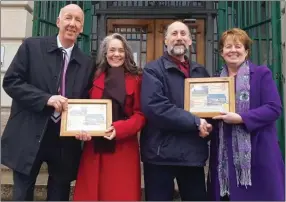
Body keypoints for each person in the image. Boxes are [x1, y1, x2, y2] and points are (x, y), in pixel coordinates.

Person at [1, 4, 94, 201]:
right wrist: (46, 99)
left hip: (65, 141)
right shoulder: (32, 47)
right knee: (22, 194)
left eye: (78, 20)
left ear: (82, 28)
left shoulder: (86, 63)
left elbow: (86, 100)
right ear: (58, 21)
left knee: (59, 195)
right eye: (68, 18)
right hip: (29, 132)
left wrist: (86, 126)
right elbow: (11, 82)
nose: (72, 23)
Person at [207, 28, 285, 201]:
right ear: (221, 52)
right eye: (228, 46)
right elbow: (210, 114)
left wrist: (242, 118)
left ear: (246, 51)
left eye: (238, 46)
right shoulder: (214, 81)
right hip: (225, 155)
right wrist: (204, 124)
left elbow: (274, 108)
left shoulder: (261, 74)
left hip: (258, 152)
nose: (233, 50)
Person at [140, 21, 213, 201]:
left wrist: (209, 128)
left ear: (189, 41)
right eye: (174, 34)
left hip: (192, 154)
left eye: (183, 34)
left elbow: (211, 108)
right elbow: (155, 107)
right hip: (160, 154)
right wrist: (195, 122)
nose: (179, 38)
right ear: (166, 40)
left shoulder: (200, 72)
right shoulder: (153, 69)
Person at [73, 33, 146, 201]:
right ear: (105, 53)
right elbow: (81, 108)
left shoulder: (136, 79)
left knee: (120, 194)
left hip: (124, 149)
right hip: (94, 149)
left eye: (121, 50)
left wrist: (119, 129)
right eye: (112, 50)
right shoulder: (93, 77)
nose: (116, 54)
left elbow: (141, 115)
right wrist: (80, 128)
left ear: (126, 53)